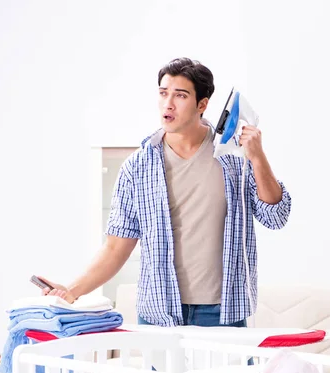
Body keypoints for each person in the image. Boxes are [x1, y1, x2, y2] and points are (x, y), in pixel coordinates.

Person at [40, 57, 291, 328]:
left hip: (223, 313)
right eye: (163, 93)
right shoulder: (137, 167)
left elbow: (275, 216)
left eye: (180, 95)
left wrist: (257, 156)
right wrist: (71, 290)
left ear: (202, 104)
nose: (168, 104)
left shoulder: (233, 157)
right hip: (159, 313)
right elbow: (115, 248)